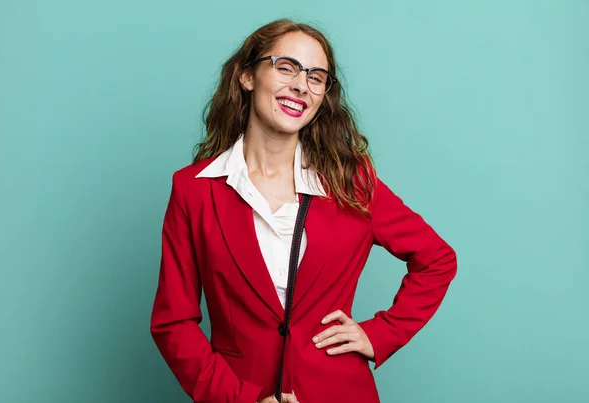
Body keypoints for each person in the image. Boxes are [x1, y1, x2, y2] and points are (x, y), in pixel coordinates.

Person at [150, 18, 457, 403]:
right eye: (286, 67)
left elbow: (438, 260)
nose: (300, 85)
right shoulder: (193, 190)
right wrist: (236, 398)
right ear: (247, 76)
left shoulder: (351, 181)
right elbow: (173, 322)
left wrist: (379, 334)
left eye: (316, 77)